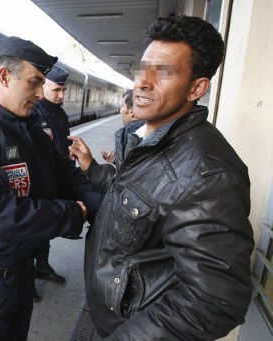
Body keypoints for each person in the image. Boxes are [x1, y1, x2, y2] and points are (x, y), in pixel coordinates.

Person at [69, 15, 254, 340]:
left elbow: (215, 299)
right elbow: (139, 198)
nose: (142, 82)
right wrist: (94, 170)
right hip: (103, 311)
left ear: (196, 87)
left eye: (164, 72)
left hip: (129, 328)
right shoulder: (140, 137)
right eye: (144, 68)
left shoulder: (206, 172)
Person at [0, 36, 103, 341]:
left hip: (20, 277)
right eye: (35, 82)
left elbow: (67, 177)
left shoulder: (32, 132)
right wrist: (71, 214)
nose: (41, 93)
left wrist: (106, 211)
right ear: (3, 77)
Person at [31, 64, 71, 286]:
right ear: (43, 85)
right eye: (56, 90)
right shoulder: (33, 112)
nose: (61, 95)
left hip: (55, 178)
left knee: (46, 228)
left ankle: (42, 267)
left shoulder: (60, 113)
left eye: (63, 90)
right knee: (33, 230)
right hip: (37, 181)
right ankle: (28, 278)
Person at [100, 88, 136, 164]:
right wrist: (118, 161)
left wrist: (90, 165)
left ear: (131, 111)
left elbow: (126, 175)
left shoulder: (132, 138)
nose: (120, 111)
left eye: (123, 106)